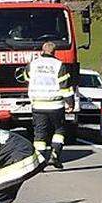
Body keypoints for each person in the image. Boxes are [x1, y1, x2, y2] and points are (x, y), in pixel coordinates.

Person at [25, 41, 72, 169]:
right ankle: (55, 155)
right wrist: (70, 102)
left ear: (42, 50)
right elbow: (65, 86)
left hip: (38, 105)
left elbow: (26, 77)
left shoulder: (33, 64)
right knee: (59, 129)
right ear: (54, 51)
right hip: (56, 104)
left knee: (40, 134)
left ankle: (39, 162)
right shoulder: (59, 65)